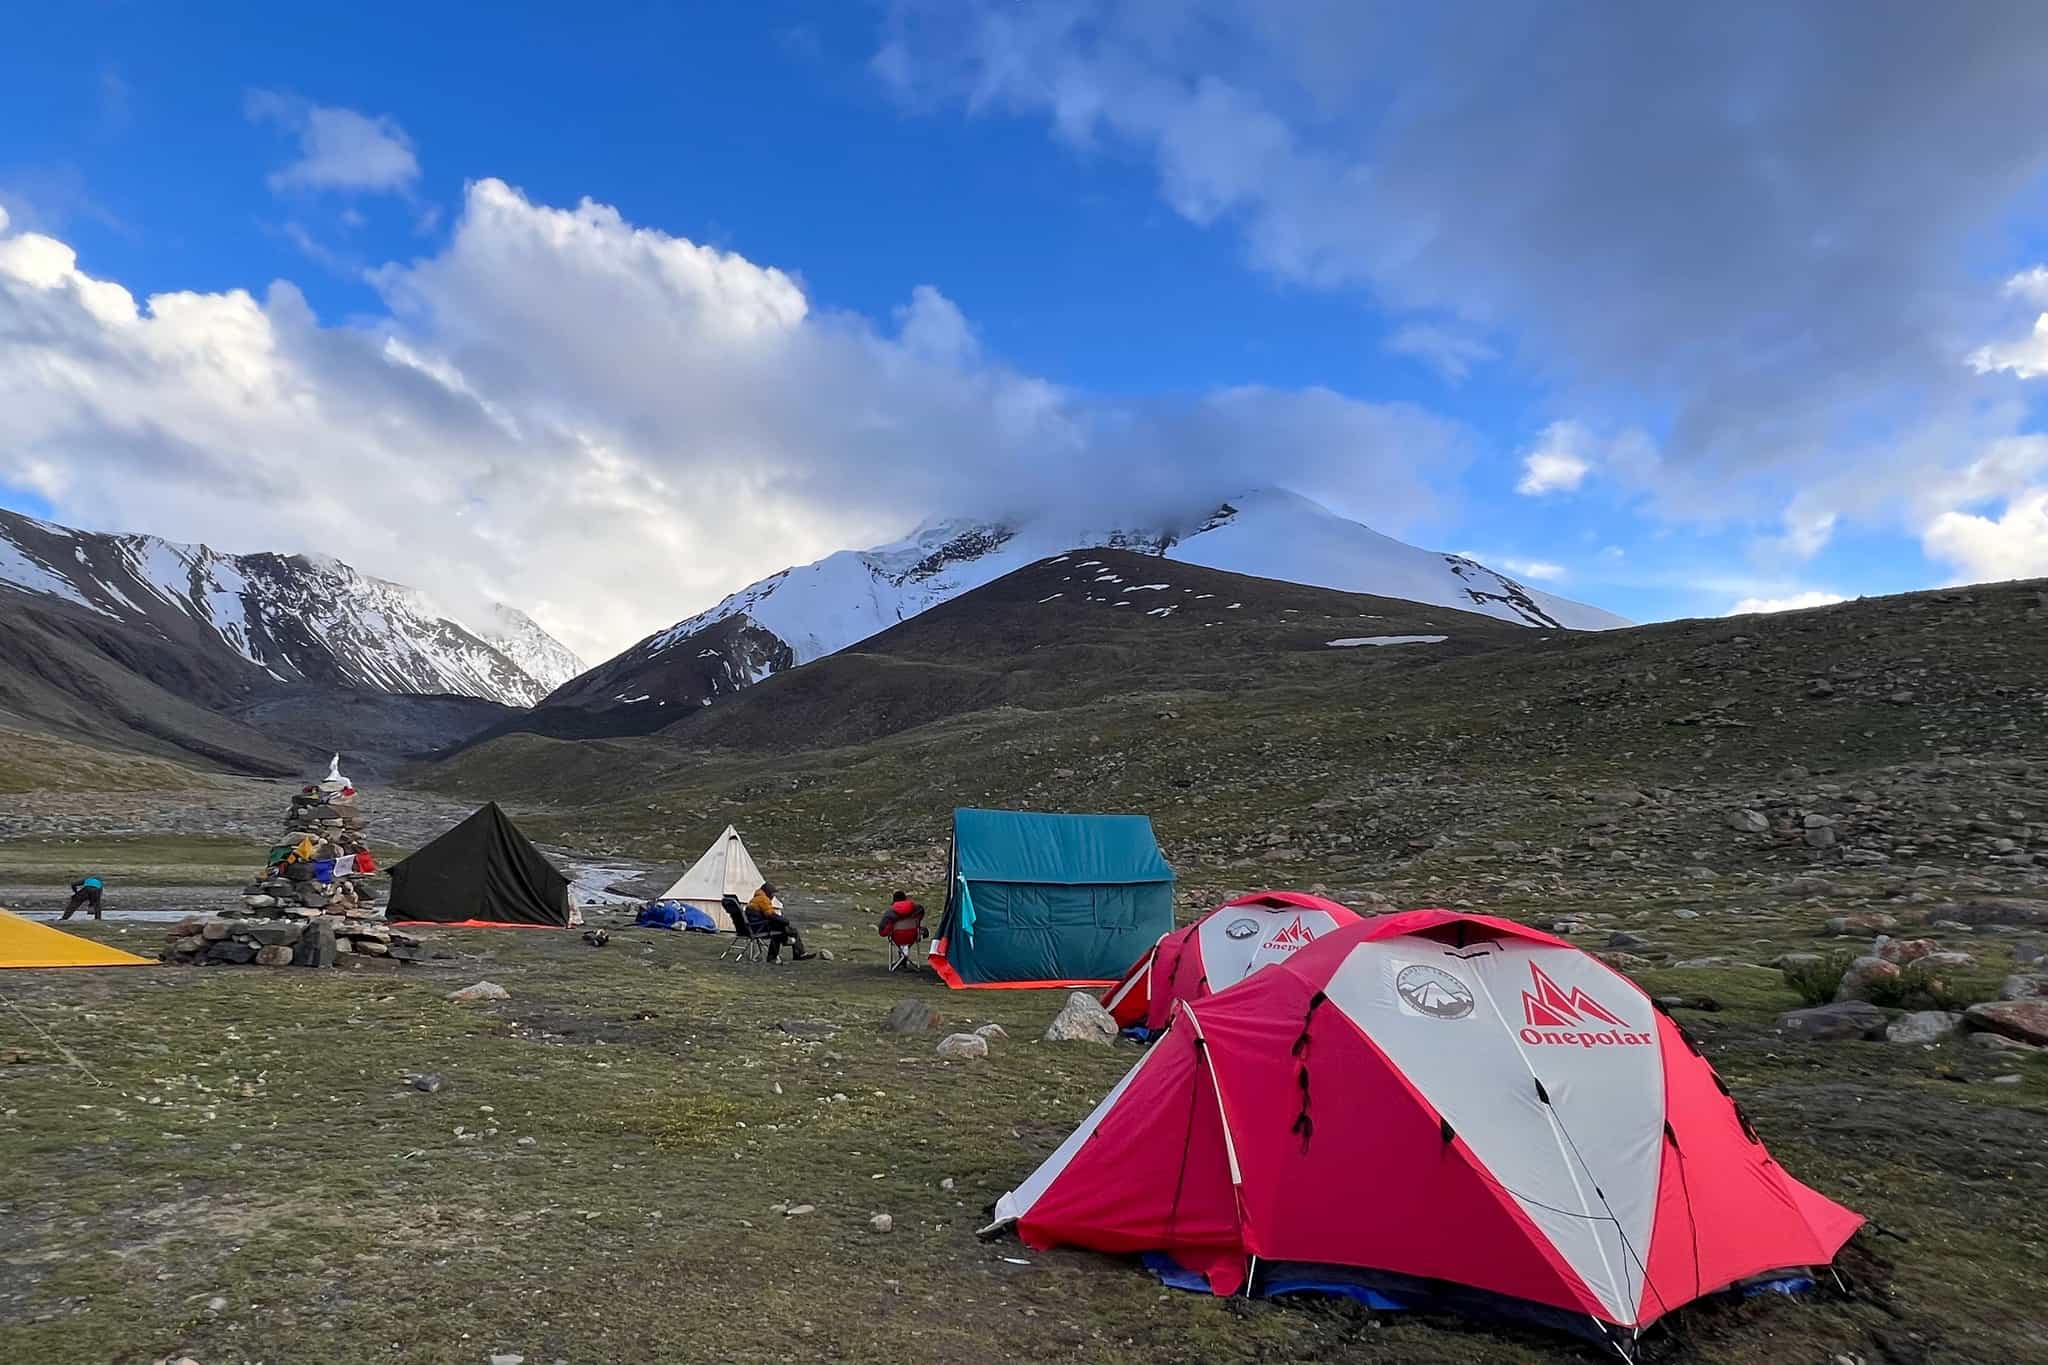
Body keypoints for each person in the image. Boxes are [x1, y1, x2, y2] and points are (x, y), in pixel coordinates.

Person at [747, 881, 814, 963]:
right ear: (768, 892)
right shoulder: (763, 899)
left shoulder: (756, 898)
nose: (773, 896)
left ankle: (787, 942)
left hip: (755, 927)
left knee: (783, 928)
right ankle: (794, 950)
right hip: (760, 928)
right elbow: (770, 914)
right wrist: (783, 920)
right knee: (787, 929)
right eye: (772, 893)